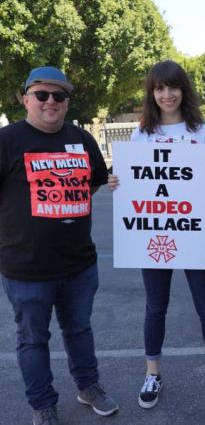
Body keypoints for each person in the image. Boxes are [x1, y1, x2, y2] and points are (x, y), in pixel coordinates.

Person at [107, 60, 205, 411]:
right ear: (152, 93)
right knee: (155, 308)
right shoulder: (142, 134)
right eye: (159, 88)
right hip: (153, 235)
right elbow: (130, 183)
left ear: (184, 90)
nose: (166, 95)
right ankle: (152, 373)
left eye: (173, 87)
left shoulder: (202, 132)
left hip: (192, 233)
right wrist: (116, 183)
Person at [0, 66, 118, 425]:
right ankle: (43, 405)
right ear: (26, 99)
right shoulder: (7, 141)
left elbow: (94, 182)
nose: (51, 102)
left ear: (67, 102)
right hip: (26, 269)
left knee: (79, 329)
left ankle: (88, 387)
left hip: (79, 264)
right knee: (33, 340)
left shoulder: (82, 140)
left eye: (59, 96)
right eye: (42, 95)